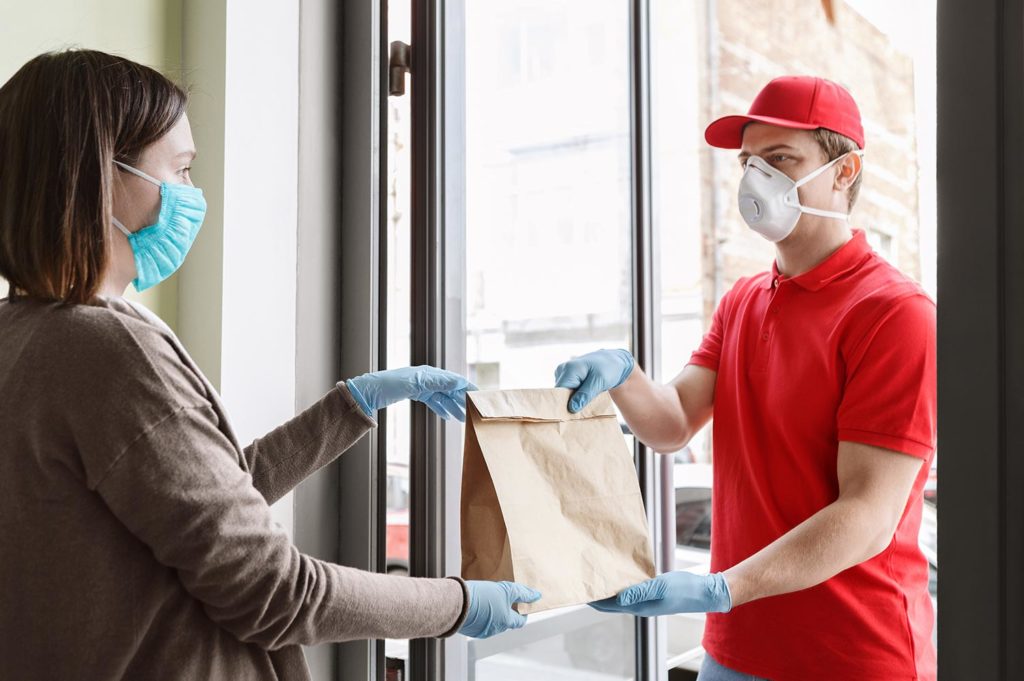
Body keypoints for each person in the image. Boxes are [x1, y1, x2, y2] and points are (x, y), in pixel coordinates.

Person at [0, 49, 539, 680]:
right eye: (180, 171)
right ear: (99, 177)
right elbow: (275, 593)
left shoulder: (24, 334)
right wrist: (460, 603)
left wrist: (354, 404)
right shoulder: (107, 351)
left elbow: (201, 501)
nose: (192, 196)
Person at [556, 76, 936, 681]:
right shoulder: (743, 300)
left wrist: (718, 588)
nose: (757, 180)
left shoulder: (894, 312)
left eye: (781, 160)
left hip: (850, 654)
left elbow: (868, 515)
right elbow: (673, 423)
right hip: (734, 651)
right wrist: (624, 375)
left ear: (844, 171)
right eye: (750, 163)